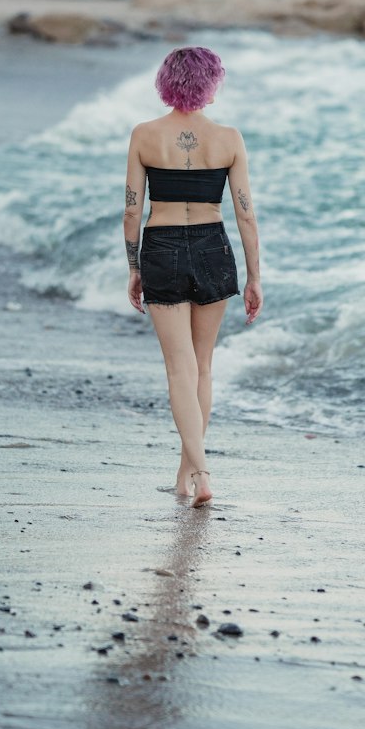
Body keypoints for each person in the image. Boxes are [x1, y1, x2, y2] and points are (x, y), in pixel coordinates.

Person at [123, 46, 263, 507]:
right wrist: (253, 277)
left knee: (178, 369)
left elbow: (131, 212)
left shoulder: (145, 135)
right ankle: (188, 474)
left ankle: (197, 471)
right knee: (202, 367)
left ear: (167, 81)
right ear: (211, 84)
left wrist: (134, 267)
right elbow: (246, 215)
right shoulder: (229, 138)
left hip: (162, 246)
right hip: (212, 247)